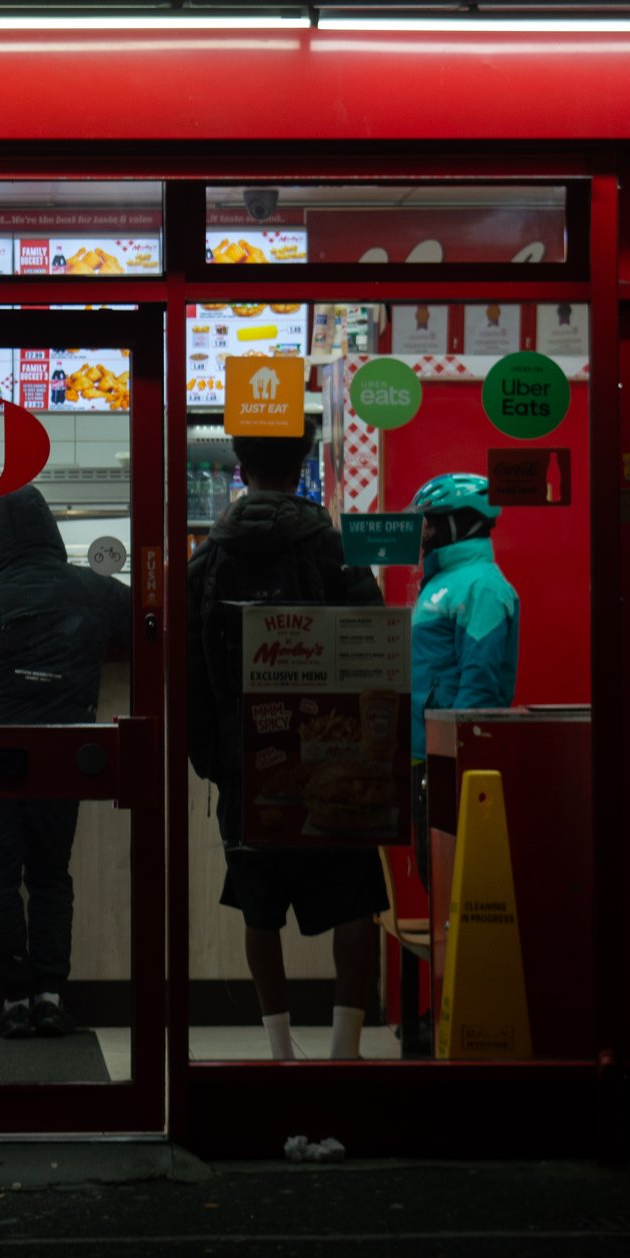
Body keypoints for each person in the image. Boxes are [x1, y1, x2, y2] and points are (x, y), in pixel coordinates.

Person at [186, 428, 389, 1061]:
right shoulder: (337, 549)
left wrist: (215, 760)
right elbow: (376, 645)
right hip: (337, 753)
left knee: (258, 902)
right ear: (303, 468)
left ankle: (280, 1051)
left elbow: (188, 674)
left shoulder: (204, 561)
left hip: (247, 757)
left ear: (240, 468)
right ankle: (346, 1049)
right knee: (355, 896)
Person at [0, 486, 133, 1039]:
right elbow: (147, 628)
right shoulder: (94, 591)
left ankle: (14, 1002)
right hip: (63, 754)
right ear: (51, 532)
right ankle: (50, 997)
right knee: (50, 875)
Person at [406, 472, 521, 898]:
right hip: (429, 758)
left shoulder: (483, 586)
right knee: (435, 881)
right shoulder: (442, 583)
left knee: (453, 887)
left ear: (464, 522)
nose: (425, 531)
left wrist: (453, 764)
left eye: (432, 521)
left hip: (449, 763)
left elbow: (481, 688)